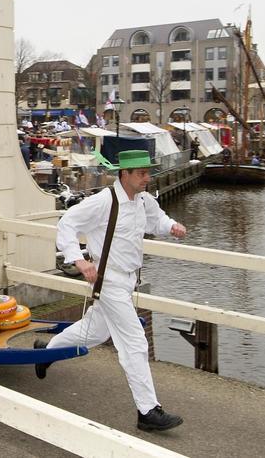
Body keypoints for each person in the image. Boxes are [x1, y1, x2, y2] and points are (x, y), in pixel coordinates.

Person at [35, 149, 187, 433]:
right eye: (141, 173)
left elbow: (157, 220)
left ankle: (47, 351)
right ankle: (148, 411)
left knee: (94, 332)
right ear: (125, 174)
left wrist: (172, 227)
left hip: (128, 280)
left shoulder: (144, 200)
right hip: (109, 282)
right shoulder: (104, 202)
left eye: (148, 172)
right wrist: (79, 260)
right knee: (135, 342)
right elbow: (67, 223)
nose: (147, 178)